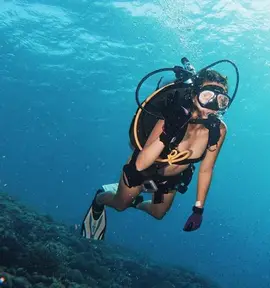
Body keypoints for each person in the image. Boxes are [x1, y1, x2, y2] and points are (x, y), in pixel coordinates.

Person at [81, 58, 239, 240]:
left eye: (220, 100)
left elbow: (206, 169)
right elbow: (140, 164)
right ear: (195, 94)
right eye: (207, 96)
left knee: (158, 213)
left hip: (170, 179)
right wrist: (168, 131)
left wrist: (198, 208)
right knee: (120, 204)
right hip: (144, 173)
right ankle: (100, 198)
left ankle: (137, 201)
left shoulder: (218, 130)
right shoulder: (171, 116)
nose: (212, 106)